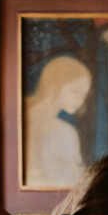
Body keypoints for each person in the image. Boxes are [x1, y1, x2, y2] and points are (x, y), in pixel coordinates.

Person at [24, 55, 93, 188]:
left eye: (83, 94)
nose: (80, 100)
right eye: (75, 91)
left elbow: (77, 177)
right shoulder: (31, 120)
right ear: (57, 83)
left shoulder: (66, 130)